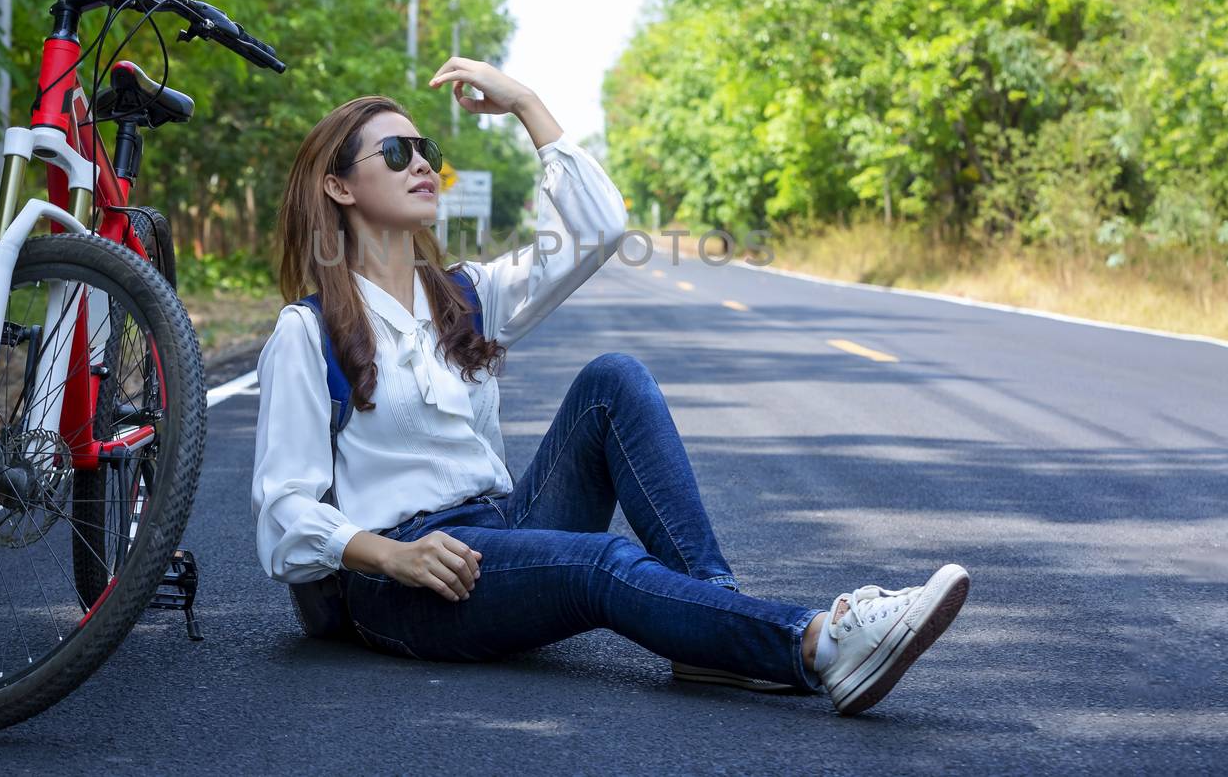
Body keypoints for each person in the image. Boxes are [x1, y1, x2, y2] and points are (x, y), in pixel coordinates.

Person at [251, 57, 970, 715]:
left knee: (613, 380)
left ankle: (712, 628)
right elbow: (284, 520)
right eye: (398, 153)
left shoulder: (465, 294)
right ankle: (819, 641)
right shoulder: (307, 332)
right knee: (603, 562)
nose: (422, 167)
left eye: (428, 153)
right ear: (338, 184)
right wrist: (392, 554)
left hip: (501, 527)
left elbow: (599, 232)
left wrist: (528, 103)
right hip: (409, 580)